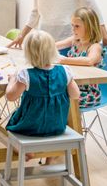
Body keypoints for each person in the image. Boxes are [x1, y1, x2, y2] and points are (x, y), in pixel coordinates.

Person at [5, 30, 80, 161]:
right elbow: (75, 95)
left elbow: (10, 97)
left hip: (29, 127)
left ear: (28, 53)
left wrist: (12, 79)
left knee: (9, 128)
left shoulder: (25, 74)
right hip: (57, 126)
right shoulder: (65, 71)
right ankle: (48, 154)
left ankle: (27, 151)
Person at [56, 7, 104, 108]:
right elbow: (54, 45)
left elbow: (89, 61)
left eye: (77, 26)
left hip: (88, 93)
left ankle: (64, 123)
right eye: (72, 25)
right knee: (48, 92)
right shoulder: (75, 40)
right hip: (71, 87)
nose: (73, 29)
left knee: (56, 98)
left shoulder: (95, 46)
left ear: (89, 27)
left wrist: (63, 60)